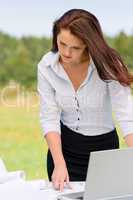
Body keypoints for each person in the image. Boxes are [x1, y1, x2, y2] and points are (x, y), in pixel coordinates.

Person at [37, 9, 133, 191]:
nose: (66, 52)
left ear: (89, 45)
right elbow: (48, 117)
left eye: (75, 48)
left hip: (104, 152)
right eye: (62, 43)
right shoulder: (46, 66)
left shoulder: (109, 64)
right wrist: (59, 163)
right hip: (64, 153)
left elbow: (127, 117)